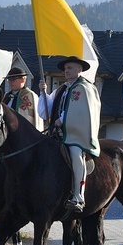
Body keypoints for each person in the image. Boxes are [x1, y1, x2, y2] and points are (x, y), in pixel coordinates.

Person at [38, 56, 101, 212]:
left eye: (70, 68)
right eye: (65, 68)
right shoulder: (63, 88)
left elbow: (81, 111)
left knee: (75, 153)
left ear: (80, 70)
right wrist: (43, 93)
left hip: (76, 134)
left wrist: (62, 120)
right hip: (57, 133)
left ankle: (78, 197)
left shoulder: (85, 88)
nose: (66, 71)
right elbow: (45, 111)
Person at [3, 67, 44, 131]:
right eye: (9, 80)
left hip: (24, 133)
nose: (10, 82)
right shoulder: (6, 96)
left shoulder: (30, 95)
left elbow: (35, 117)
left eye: (13, 80)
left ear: (23, 80)